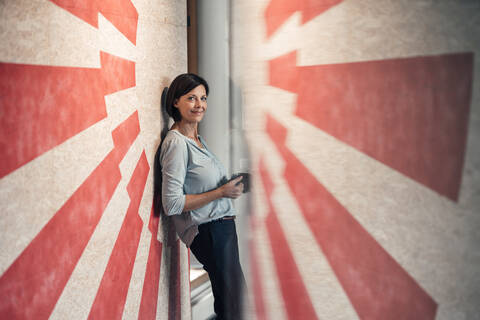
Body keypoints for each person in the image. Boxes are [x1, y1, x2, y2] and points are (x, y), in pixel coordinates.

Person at [158, 73, 245, 320]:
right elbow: (172, 203)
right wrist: (221, 192)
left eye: (203, 98)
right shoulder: (176, 144)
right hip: (208, 231)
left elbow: (200, 185)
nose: (200, 105)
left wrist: (230, 188)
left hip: (222, 228)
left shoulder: (196, 139)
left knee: (235, 304)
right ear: (175, 102)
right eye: (191, 98)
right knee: (233, 307)